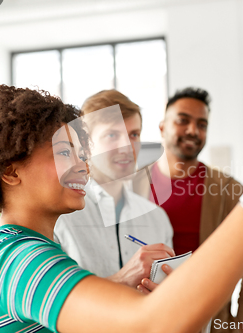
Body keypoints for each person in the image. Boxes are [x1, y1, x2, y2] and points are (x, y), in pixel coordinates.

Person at [0, 83, 243, 333]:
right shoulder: (13, 256)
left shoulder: (32, 249)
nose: (81, 164)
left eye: (80, 153)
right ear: (11, 171)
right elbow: (151, 322)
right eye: (64, 153)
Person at [134, 87, 243, 332]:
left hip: (208, 321)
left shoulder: (228, 189)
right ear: (162, 127)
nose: (193, 130)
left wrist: (238, 326)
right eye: (183, 121)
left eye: (202, 124)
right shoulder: (133, 186)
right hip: (145, 318)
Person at [54, 90, 174, 288]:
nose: (127, 147)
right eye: (112, 135)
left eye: (133, 134)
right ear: (86, 144)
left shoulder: (157, 219)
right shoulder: (60, 217)